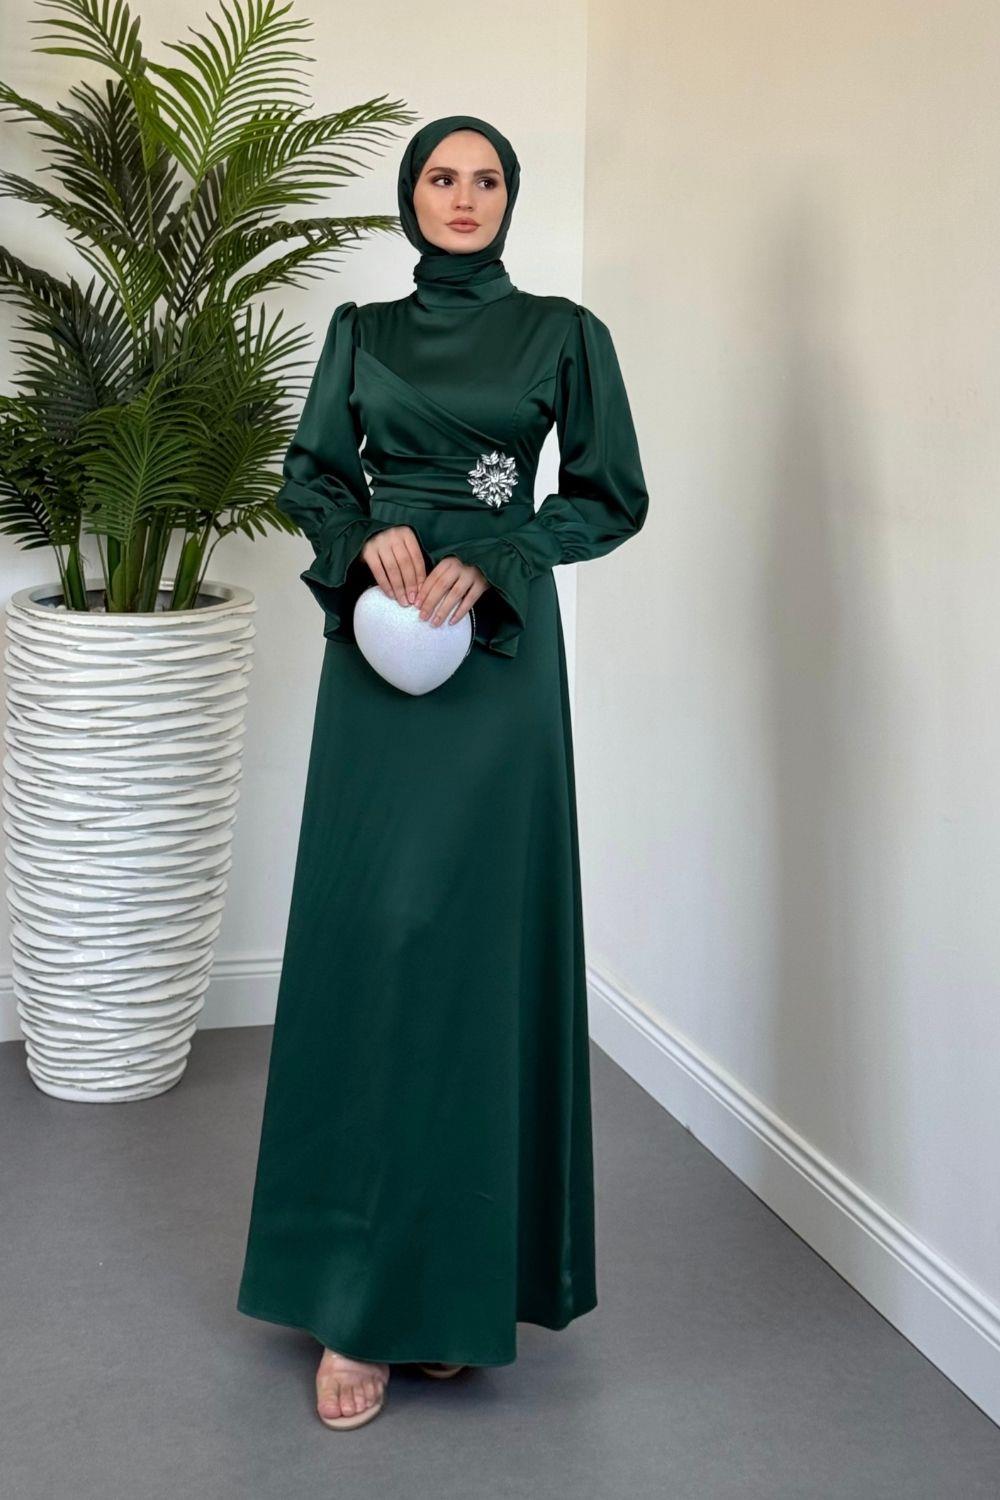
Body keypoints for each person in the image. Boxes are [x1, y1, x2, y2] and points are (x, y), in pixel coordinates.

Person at [236, 113, 649, 1431]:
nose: (463, 197)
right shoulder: (361, 332)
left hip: (500, 658)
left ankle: (453, 1289)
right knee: (376, 939)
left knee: (472, 951)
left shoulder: (564, 335)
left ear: (509, 198)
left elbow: (610, 494)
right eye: (440, 177)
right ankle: (356, 1302)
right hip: (382, 650)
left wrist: (505, 552)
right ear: (410, 197)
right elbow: (311, 477)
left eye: (485, 180)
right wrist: (367, 540)